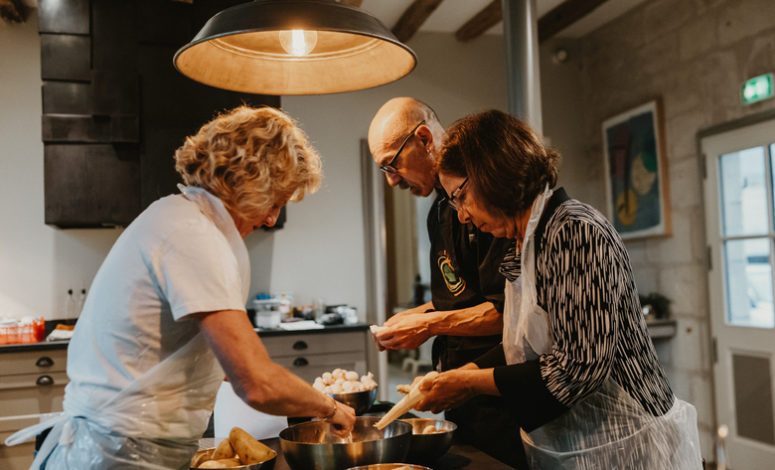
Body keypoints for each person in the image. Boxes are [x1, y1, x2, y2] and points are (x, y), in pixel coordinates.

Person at [7, 106, 355, 469]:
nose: (270, 219)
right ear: (251, 180)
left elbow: (212, 362)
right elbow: (256, 382)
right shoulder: (193, 234)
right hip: (118, 453)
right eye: (275, 202)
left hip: (118, 447)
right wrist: (327, 406)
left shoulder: (181, 219)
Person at [419, 109, 702, 468]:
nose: (460, 215)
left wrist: (471, 382)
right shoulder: (523, 243)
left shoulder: (574, 231)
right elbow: (522, 349)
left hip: (630, 445)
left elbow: (578, 366)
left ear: (491, 173)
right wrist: (459, 375)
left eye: (459, 195)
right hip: (580, 446)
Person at [367, 98, 524, 467]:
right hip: (462, 396)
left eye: (392, 164)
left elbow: (512, 311)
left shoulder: (488, 203)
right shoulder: (438, 211)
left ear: (423, 138)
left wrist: (429, 324)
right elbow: (456, 300)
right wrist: (411, 319)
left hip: (501, 395)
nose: (391, 180)